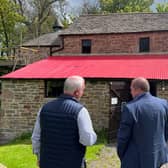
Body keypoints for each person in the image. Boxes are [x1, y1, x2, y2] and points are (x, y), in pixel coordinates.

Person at [32, 75, 97, 168]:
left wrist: (39, 157)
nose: (83, 92)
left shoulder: (44, 108)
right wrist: (94, 136)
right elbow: (87, 140)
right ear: (77, 92)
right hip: (72, 163)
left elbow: (36, 137)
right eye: (83, 90)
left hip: (47, 162)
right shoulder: (80, 111)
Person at [117, 77, 168, 168]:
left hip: (136, 160)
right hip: (159, 157)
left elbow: (123, 138)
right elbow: (166, 131)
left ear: (137, 89)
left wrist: (122, 155)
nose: (131, 92)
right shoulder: (164, 104)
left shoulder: (130, 108)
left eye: (131, 90)